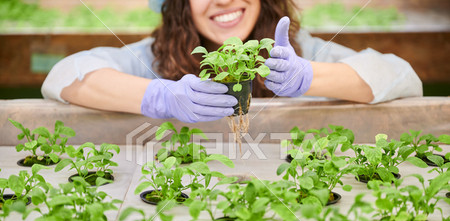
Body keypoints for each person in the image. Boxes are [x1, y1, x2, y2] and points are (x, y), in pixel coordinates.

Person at [42, 0, 422, 123]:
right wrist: (161, 96)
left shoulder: (297, 49)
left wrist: (310, 76)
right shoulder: (151, 57)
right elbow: (64, 75)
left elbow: (401, 76)